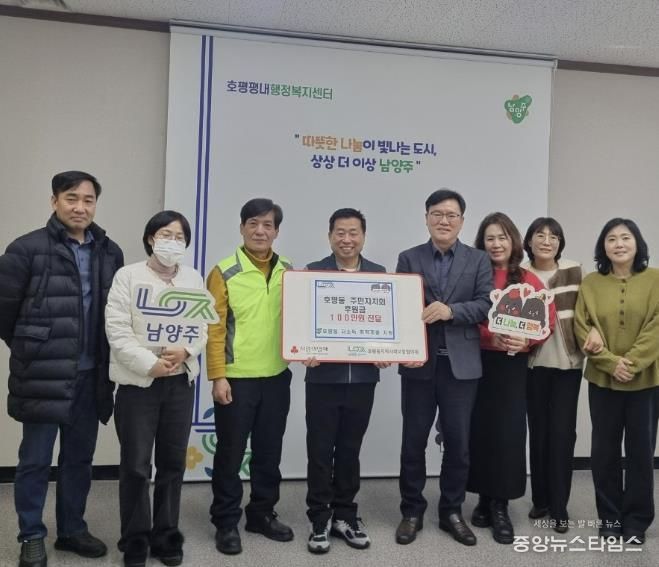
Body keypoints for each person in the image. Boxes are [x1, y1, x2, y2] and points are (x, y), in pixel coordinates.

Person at [0, 171, 123, 567]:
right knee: (35, 461)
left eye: (88, 200)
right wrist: (33, 348)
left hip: (92, 375)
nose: (80, 207)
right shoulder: (26, 249)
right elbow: (4, 313)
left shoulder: (109, 251)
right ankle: (31, 536)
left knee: (78, 459)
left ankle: (71, 530)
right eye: (72, 198)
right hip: (43, 374)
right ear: (55, 201)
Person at [105, 211, 209, 567]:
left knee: (172, 464)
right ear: (151, 238)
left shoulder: (193, 278)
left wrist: (187, 351)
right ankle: (134, 539)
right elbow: (117, 330)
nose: (172, 242)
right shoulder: (128, 276)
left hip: (180, 383)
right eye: (166, 234)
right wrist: (150, 363)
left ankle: (166, 536)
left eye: (179, 237)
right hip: (140, 385)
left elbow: (203, 325)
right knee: (136, 465)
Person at [395, 188, 493, 547]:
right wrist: (402, 347)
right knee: (413, 442)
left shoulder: (478, 259)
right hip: (419, 363)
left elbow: (486, 304)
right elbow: (399, 307)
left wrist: (451, 311)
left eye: (451, 215)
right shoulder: (409, 257)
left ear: (462, 221)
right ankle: (411, 510)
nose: (444, 220)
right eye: (437, 214)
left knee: (458, 443)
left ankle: (451, 511)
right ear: (426, 218)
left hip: (461, 367)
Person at [206, 198, 294, 555]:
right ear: (242, 228)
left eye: (267, 225)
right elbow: (214, 328)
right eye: (253, 223)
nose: (260, 231)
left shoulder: (289, 270)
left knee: (269, 452)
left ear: (276, 231)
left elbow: (300, 320)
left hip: (277, 376)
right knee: (230, 453)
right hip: (236, 379)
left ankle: (261, 513)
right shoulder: (224, 271)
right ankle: (226, 521)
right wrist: (218, 375)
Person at [303, 208, 388, 554]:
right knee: (320, 450)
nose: (347, 239)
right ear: (329, 236)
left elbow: (386, 324)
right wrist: (303, 347)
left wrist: (389, 349)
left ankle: (345, 515)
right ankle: (319, 518)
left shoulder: (379, 275)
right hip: (323, 378)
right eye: (340, 232)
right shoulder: (312, 272)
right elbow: (302, 321)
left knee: (350, 450)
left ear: (363, 237)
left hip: (363, 379)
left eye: (353, 232)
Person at [468, 212, 554, 545]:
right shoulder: (475, 275)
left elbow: (545, 322)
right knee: (479, 431)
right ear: (481, 243)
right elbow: (466, 316)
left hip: (511, 366)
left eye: (502, 237)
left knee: (507, 434)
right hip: (476, 362)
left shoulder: (528, 279)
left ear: (513, 240)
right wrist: (489, 335)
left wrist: (526, 340)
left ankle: (500, 505)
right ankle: (483, 497)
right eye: (489, 238)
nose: (496, 244)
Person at [574, 218, 659, 545]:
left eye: (626, 237)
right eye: (611, 239)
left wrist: (631, 364)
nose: (619, 244)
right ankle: (609, 517)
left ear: (637, 244)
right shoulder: (591, 284)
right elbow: (582, 327)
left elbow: (656, 327)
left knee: (641, 453)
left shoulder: (655, 279)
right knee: (604, 452)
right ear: (603, 247)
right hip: (603, 382)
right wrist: (611, 363)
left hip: (645, 382)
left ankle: (636, 520)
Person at [522, 217, 583, 533]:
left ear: (560, 243)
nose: (547, 241)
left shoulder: (574, 270)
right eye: (540, 235)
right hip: (532, 366)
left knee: (562, 435)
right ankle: (541, 500)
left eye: (554, 236)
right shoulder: (520, 274)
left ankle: (559, 506)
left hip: (568, 366)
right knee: (538, 433)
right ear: (529, 241)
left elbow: (586, 313)